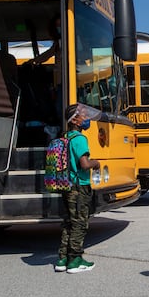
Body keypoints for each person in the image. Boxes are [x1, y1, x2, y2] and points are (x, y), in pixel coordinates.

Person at [54, 104, 101, 274]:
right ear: (75, 120)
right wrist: (97, 163)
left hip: (66, 186)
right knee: (80, 223)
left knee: (68, 222)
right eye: (83, 115)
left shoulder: (65, 137)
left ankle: (62, 258)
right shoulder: (80, 139)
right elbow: (84, 164)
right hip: (79, 186)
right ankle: (75, 260)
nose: (86, 118)